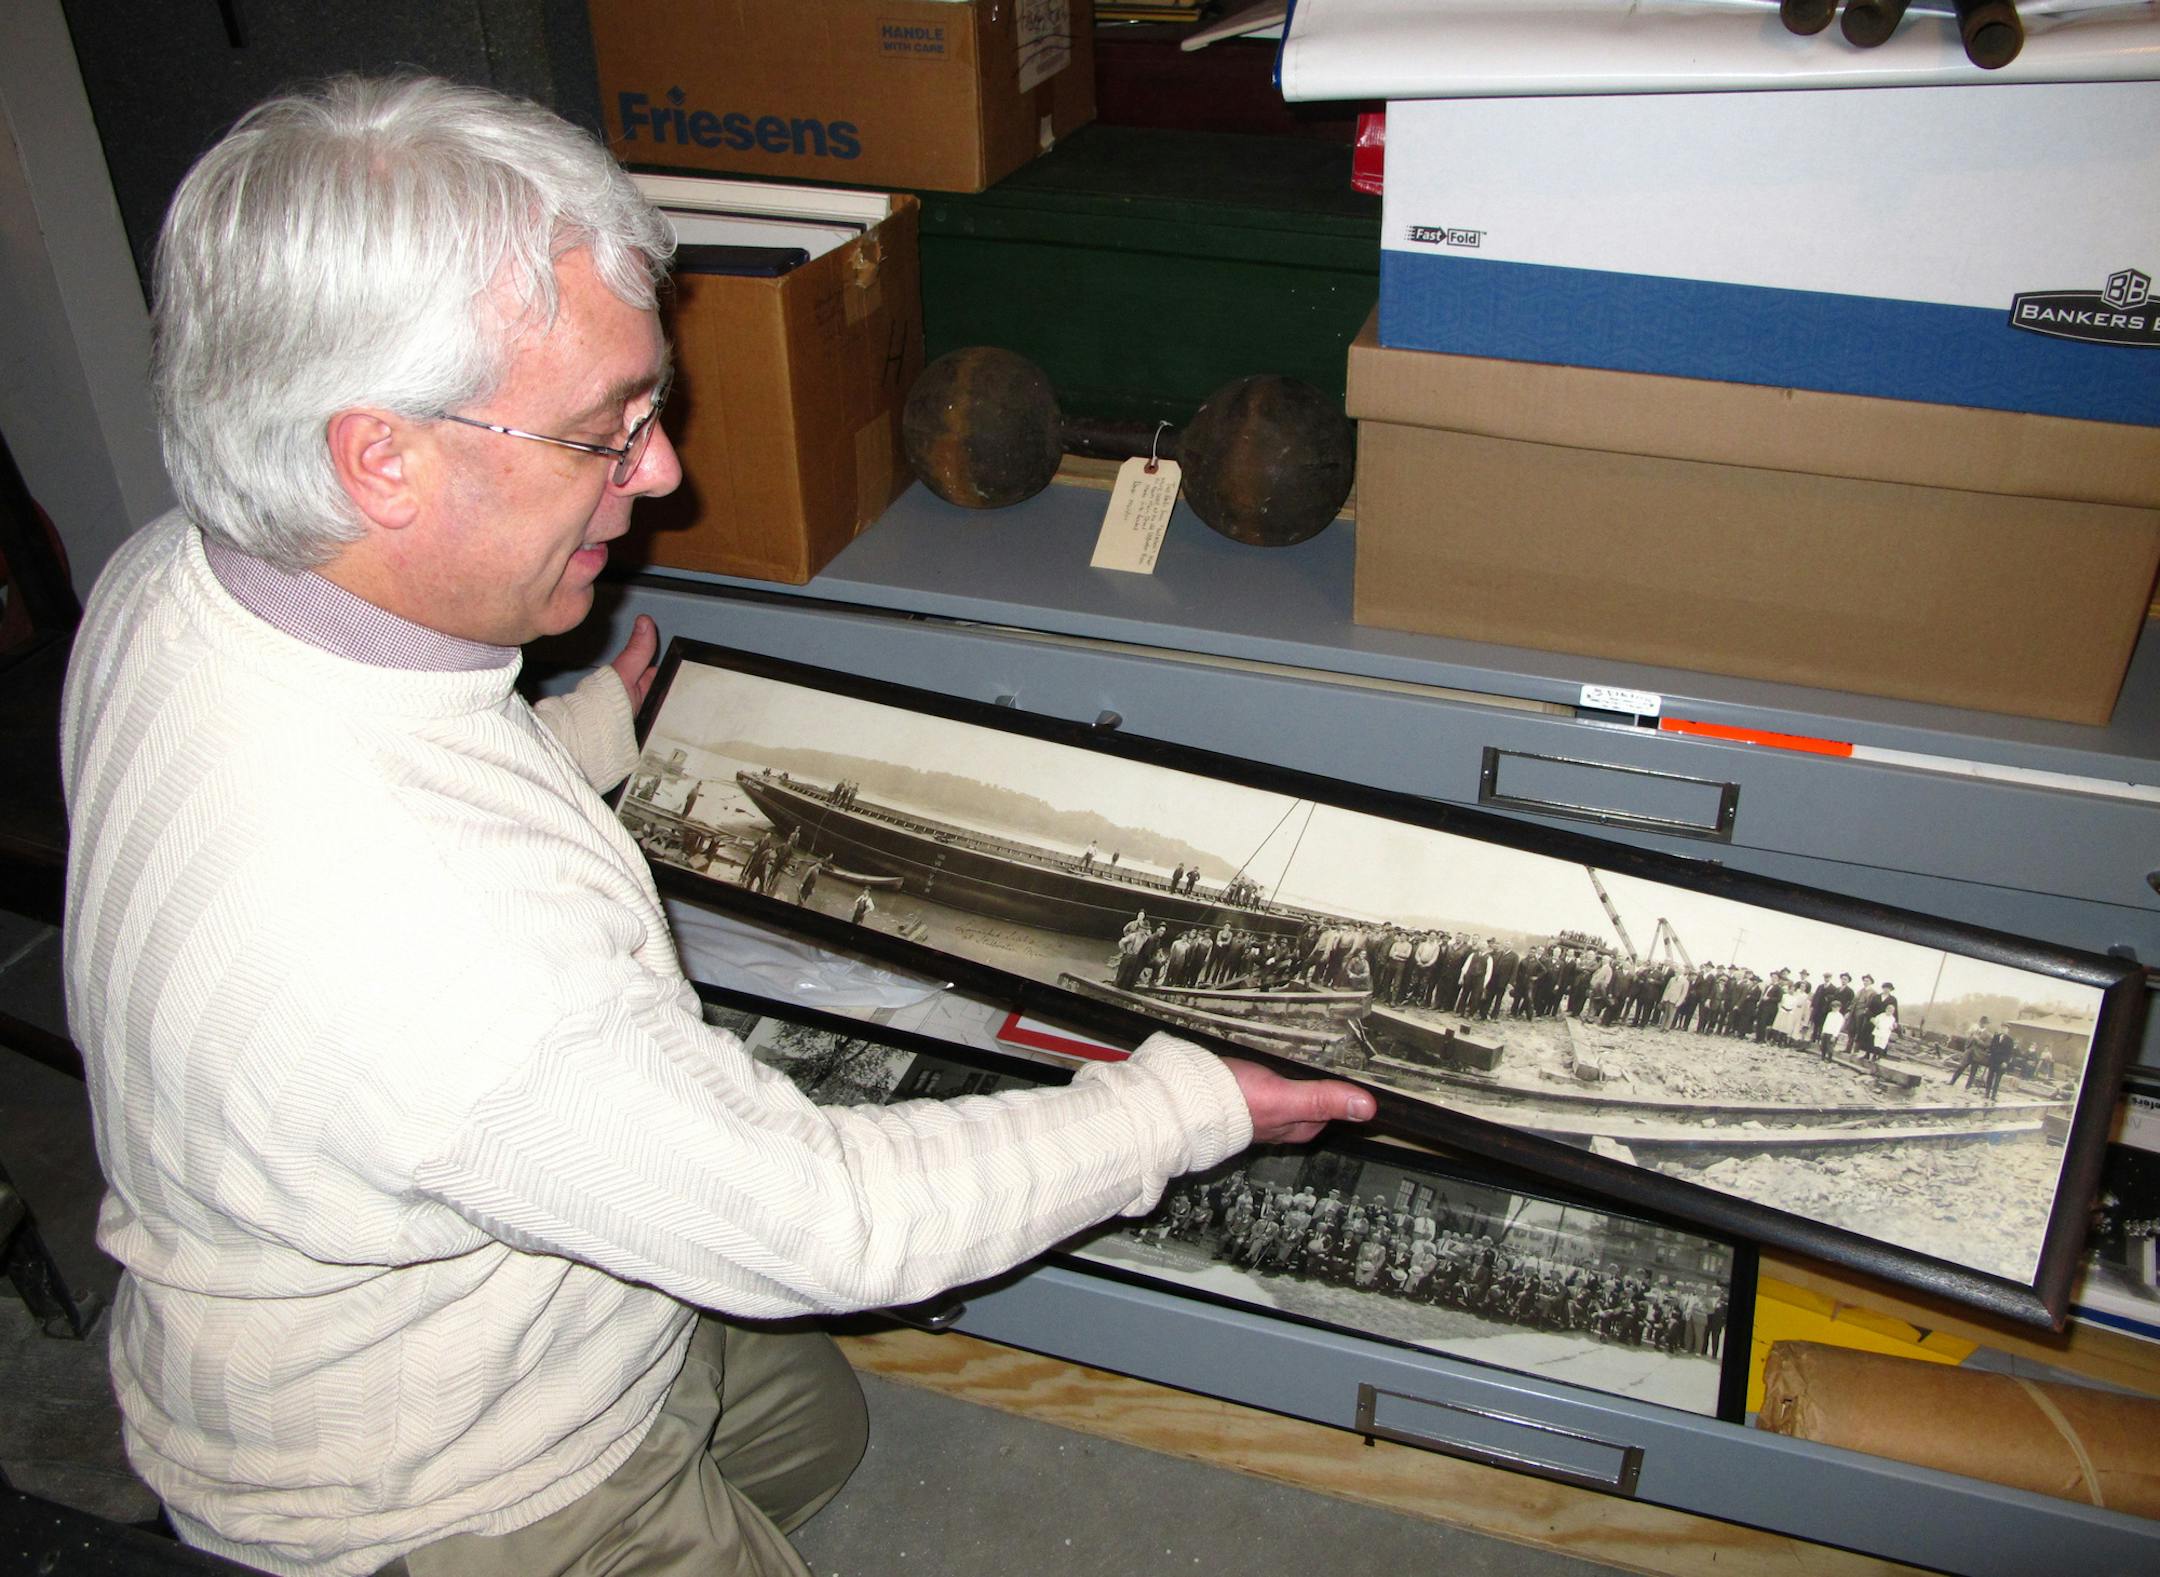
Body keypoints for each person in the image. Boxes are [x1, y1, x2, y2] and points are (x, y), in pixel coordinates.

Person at [59, 76, 1375, 1577]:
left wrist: (583, 734)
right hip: (432, 1479)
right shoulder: (432, 945)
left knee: (815, 1436)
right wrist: (1186, 1105)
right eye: (602, 429)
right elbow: (828, 1224)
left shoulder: (178, 579)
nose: (664, 470)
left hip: (434, 1275)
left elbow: (379, 821)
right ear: (382, 458)